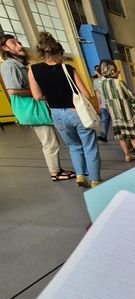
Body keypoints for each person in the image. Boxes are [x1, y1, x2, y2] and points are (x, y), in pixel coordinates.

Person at [28, 32, 101, 188]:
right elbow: (86, 94)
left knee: (74, 146)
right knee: (89, 146)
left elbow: (37, 96)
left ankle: (80, 176)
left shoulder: (33, 70)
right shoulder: (68, 68)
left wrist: (52, 95)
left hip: (57, 114)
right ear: (59, 52)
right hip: (76, 112)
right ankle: (95, 179)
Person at [0, 33, 75, 182]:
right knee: (50, 142)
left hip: (37, 107)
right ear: (4, 48)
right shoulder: (9, 65)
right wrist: (38, 92)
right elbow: (13, 90)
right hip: (31, 109)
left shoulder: (20, 64)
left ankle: (57, 170)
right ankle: (55, 172)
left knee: (51, 141)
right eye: (14, 43)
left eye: (19, 42)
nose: (19, 46)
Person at [99, 59, 135, 163]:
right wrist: (134, 107)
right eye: (117, 70)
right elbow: (131, 96)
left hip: (114, 114)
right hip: (125, 112)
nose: (118, 71)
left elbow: (106, 99)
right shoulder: (119, 82)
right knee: (132, 135)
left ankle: (127, 155)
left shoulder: (103, 84)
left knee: (121, 136)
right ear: (112, 70)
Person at [93, 64, 110, 142]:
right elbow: (98, 94)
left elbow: (98, 94)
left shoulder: (106, 79)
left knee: (106, 121)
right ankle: (103, 136)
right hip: (106, 104)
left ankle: (103, 136)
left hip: (108, 104)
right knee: (105, 121)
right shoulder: (97, 81)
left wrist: (100, 104)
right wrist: (99, 104)